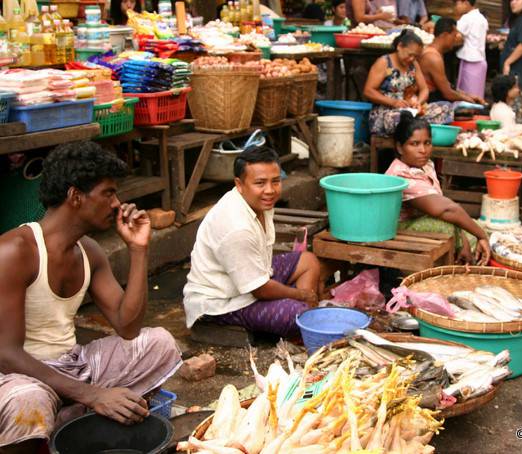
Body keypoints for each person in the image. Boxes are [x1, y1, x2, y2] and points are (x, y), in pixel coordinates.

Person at [0, 142, 181, 451]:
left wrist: (138, 250)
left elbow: (128, 327)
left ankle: (67, 413)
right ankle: (65, 414)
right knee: (27, 402)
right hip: (17, 374)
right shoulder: (15, 251)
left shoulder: (90, 251)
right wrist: (93, 394)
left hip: (71, 365)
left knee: (160, 343)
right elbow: (6, 353)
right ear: (75, 196)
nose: (117, 204)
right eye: (108, 193)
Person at [183, 146, 321, 338]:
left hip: (252, 278)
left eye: (276, 181)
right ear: (239, 184)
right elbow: (260, 290)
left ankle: (301, 317)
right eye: (260, 183)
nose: (270, 190)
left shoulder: (257, 201)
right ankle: (300, 317)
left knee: (308, 261)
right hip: (223, 302)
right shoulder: (236, 228)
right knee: (300, 315)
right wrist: (300, 294)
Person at [385, 112, 491, 264]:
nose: (423, 150)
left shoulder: (426, 165)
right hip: (401, 230)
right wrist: (481, 237)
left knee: (475, 226)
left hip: (425, 220)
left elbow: (445, 207)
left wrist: (466, 238)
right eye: (414, 144)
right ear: (400, 148)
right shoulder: (400, 174)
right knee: (450, 229)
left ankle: (464, 262)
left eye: (427, 143)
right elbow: (447, 210)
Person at [364, 30, 455, 137]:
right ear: (399, 46)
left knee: (446, 108)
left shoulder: (413, 64)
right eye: (410, 55)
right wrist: (393, 102)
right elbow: (368, 91)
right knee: (400, 118)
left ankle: (415, 125)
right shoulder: (384, 62)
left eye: (416, 57)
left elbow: (424, 89)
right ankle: (416, 126)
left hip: (410, 112)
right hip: (386, 114)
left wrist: (419, 103)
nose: (412, 59)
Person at [418, 17, 486, 105]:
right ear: (445, 35)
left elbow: (447, 85)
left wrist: (469, 96)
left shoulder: (435, 53)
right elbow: (447, 93)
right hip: (430, 102)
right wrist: (471, 101)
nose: (455, 40)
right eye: (454, 36)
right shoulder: (432, 57)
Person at [454, 0, 488, 99]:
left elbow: (454, 33)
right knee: (477, 97)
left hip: (470, 61)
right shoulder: (481, 18)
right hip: (481, 61)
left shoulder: (467, 18)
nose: (456, 6)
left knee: (466, 98)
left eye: (457, 3)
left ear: (466, 3)